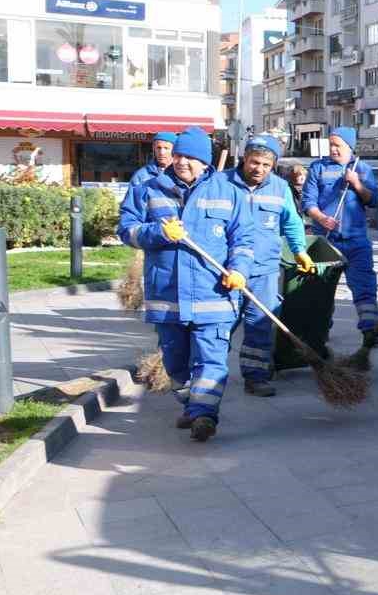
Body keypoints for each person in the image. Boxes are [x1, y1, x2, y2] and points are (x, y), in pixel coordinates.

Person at [119, 127, 254, 442]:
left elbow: (244, 239)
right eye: (178, 155)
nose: (181, 162)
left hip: (215, 295)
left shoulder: (228, 191)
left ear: (205, 162)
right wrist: (159, 233)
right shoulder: (148, 189)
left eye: (190, 157)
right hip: (167, 296)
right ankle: (193, 403)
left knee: (212, 359)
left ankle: (204, 415)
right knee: (174, 362)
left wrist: (240, 270)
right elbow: (127, 230)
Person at [227, 134, 314, 397]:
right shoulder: (222, 184)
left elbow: (291, 222)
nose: (259, 170)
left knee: (259, 324)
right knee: (220, 325)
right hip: (226, 270)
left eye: (266, 165)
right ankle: (205, 376)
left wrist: (299, 250)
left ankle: (255, 376)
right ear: (245, 159)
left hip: (264, 269)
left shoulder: (279, 188)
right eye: (254, 163)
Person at [302, 128, 378, 345]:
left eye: (338, 145)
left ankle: (370, 330)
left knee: (365, 287)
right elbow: (308, 202)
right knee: (321, 290)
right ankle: (319, 332)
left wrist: (356, 183)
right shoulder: (318, 168)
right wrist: (320, 218)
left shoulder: (362, 169)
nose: (333, 149)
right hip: (326, 240)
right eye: (331, 144)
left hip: (356, 241)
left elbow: (373, 200)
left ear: (350, 147)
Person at [126, 132, 176, 201]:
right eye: (158, 148)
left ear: (174, 150)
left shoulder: (182, 174)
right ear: (153, 149)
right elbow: (130, 204)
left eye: (166, 148)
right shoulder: (141, 175)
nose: (162, 152)